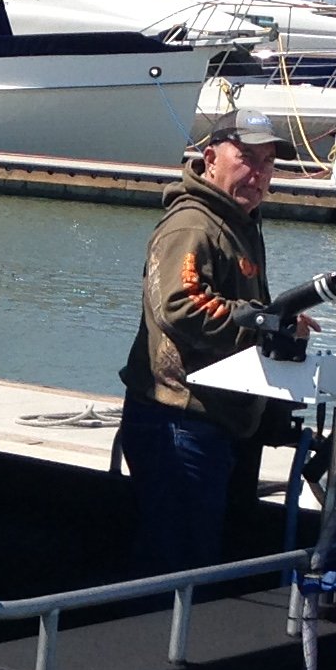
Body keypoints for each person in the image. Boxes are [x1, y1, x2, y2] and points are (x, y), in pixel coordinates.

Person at [117, 107, 303, 572]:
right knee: (175, 566)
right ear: (210, 157)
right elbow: (180, 307)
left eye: (267, 164)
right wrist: (268, 323)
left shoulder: (238, 222)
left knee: (198, 559)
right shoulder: (193, 224)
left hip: (217, 423)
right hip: (178, 421)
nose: (258, 174)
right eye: (246, 158)